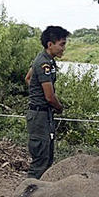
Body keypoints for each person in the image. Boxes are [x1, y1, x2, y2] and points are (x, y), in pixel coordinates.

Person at [25, 25, 69, 179]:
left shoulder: (44, 59)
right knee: (40, 162)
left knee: (46, 159)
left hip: (41, 114)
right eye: (61, 44)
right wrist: (59, 107)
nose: (64, 48)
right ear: (50, 44)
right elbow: (49, 96)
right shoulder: (44, 64)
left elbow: (29, 78)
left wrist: (36, 94)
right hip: (40, 116)